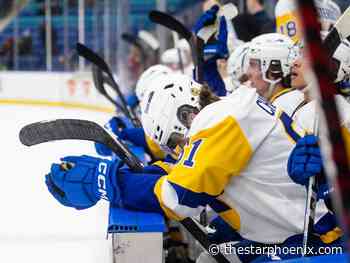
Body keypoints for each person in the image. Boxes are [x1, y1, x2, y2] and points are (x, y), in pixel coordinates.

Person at [45, 72, 341, 262]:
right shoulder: (228, 114)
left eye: (174, 140)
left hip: (318, 244)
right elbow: (182, 171)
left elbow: (180, 196)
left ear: (185, 114)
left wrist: (106, 182)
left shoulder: (223, 118)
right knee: (209, 259)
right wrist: (123, 174)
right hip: (294, 237)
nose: (178, 150)